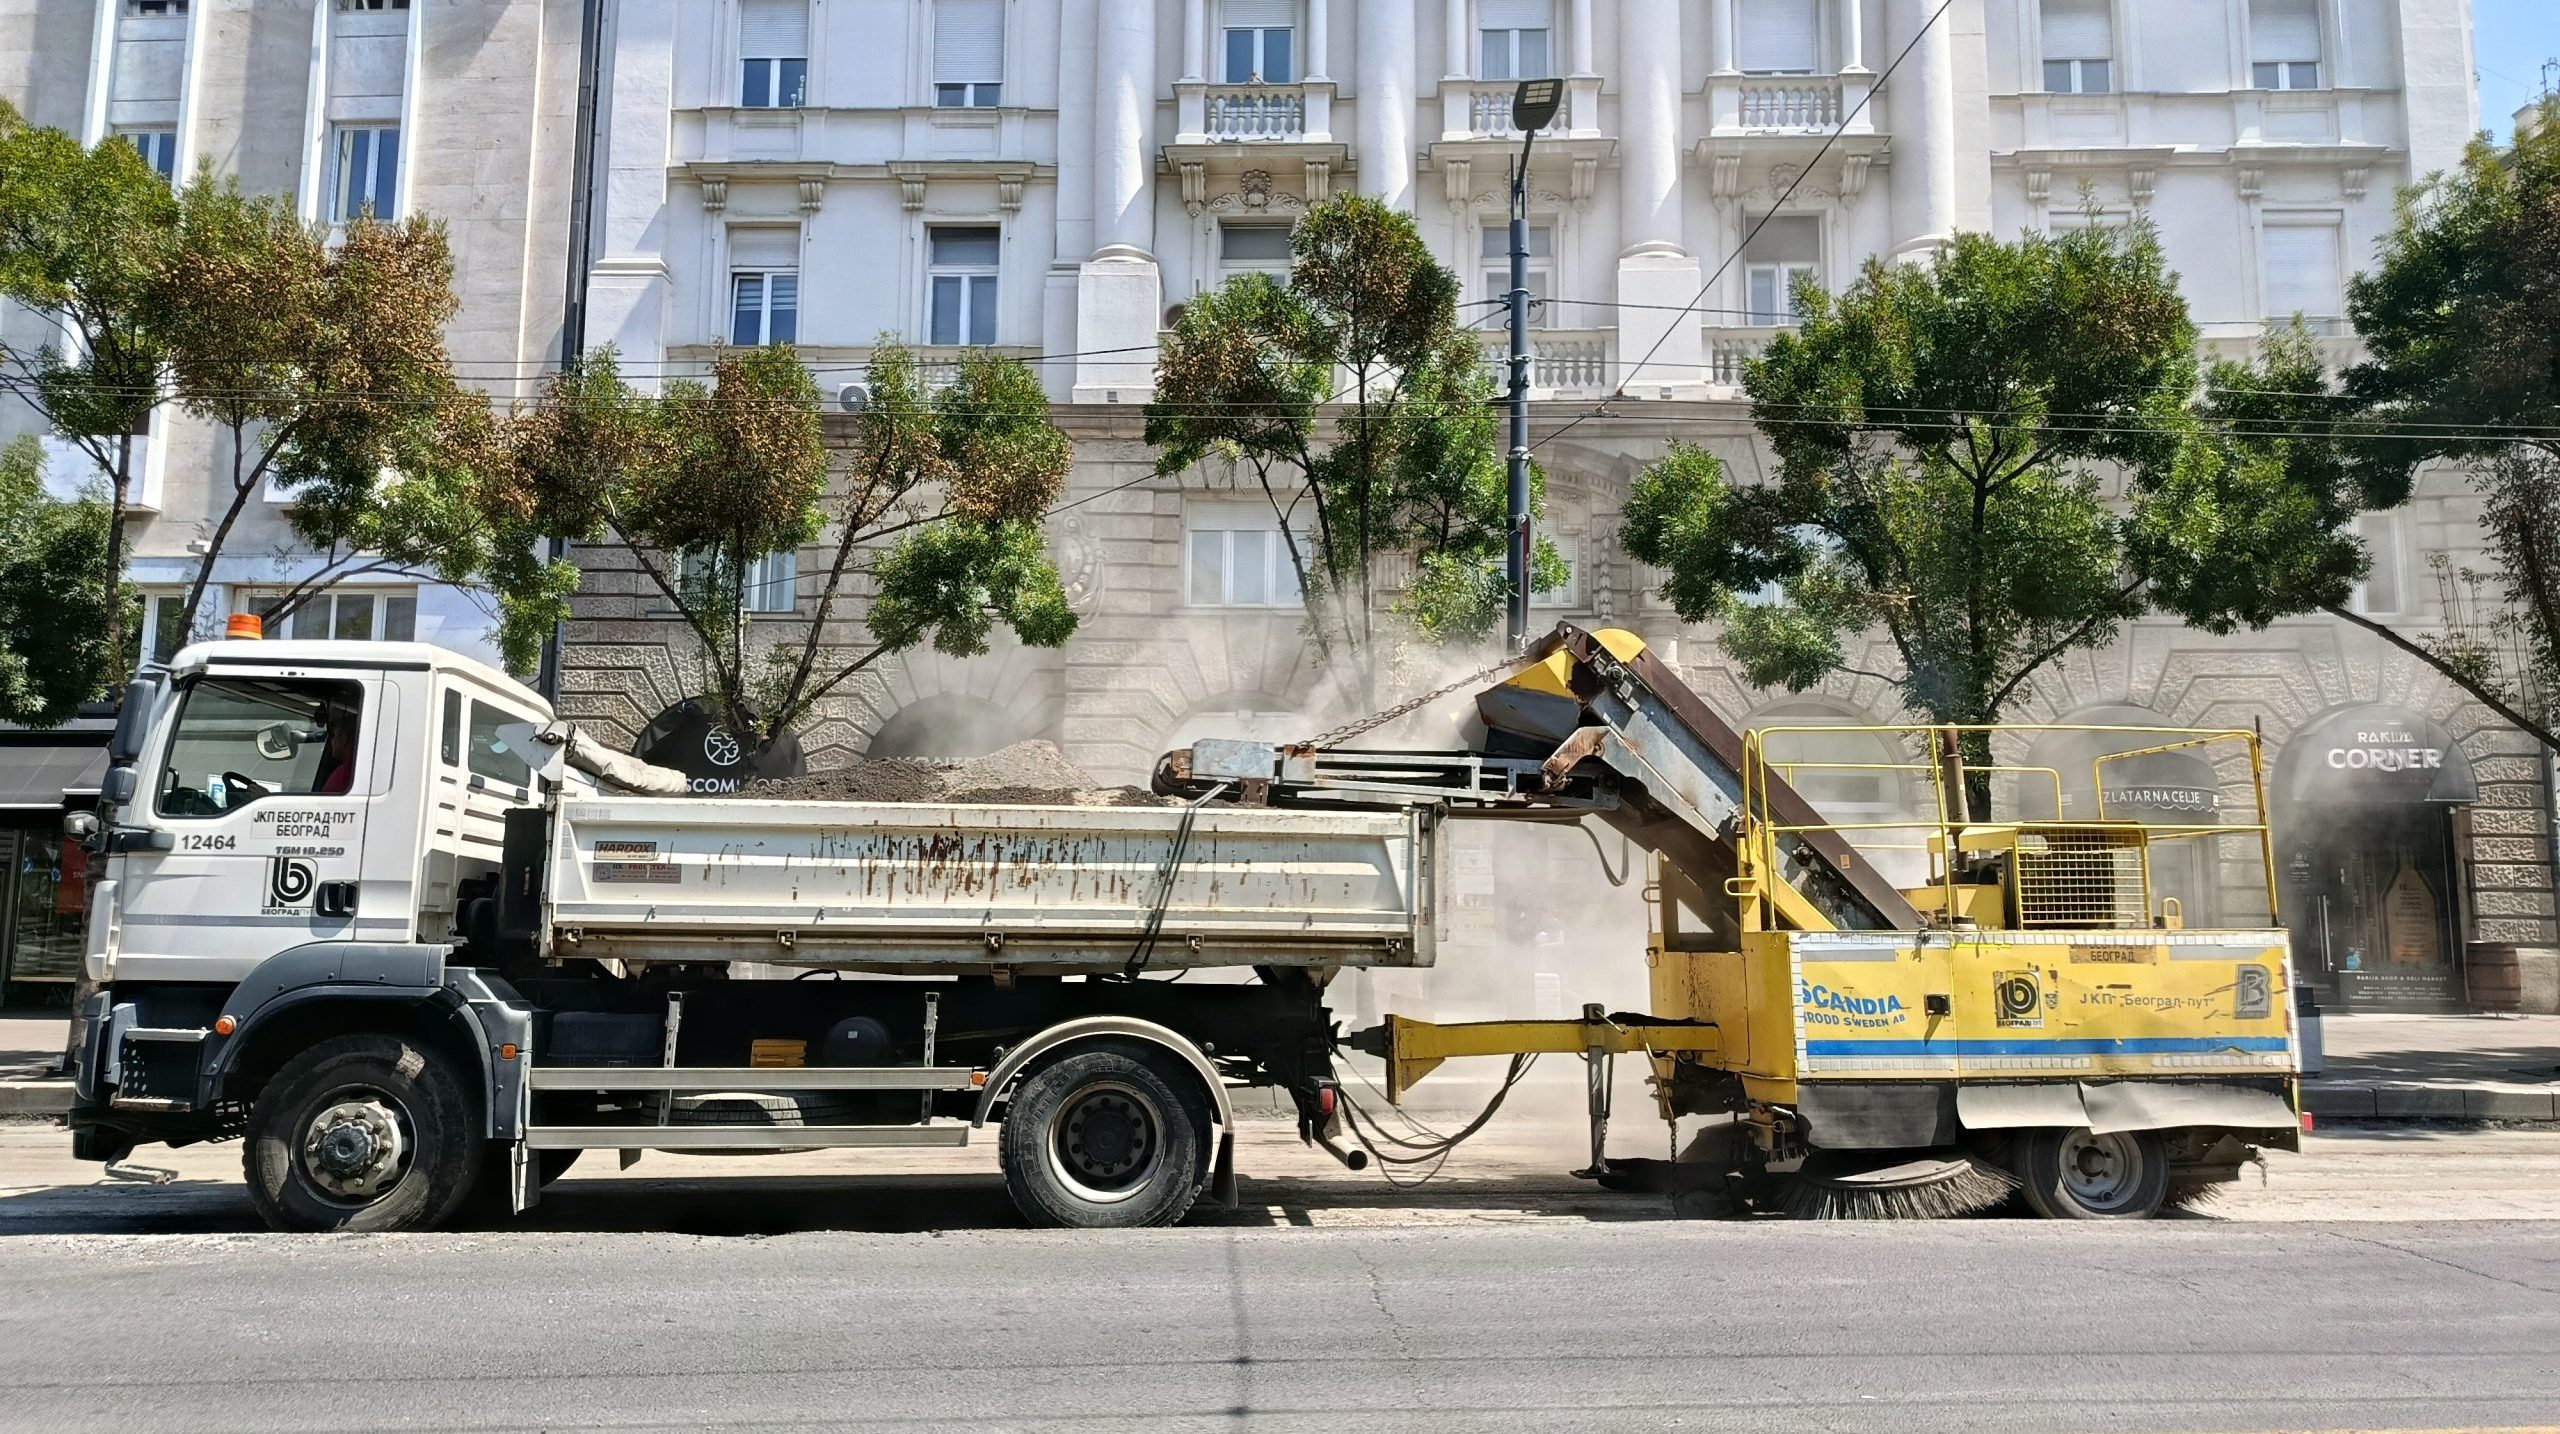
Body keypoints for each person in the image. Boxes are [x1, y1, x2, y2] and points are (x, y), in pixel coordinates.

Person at [313, 709, 359, 795]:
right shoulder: (362, 769)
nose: (332, 741)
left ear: (344, 739)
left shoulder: (342, 775)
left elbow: (324, 803)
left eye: (334, 735)